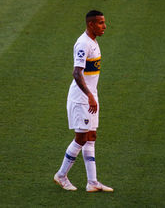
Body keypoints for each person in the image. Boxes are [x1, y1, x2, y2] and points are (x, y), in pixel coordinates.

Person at [54, 10, 113, 192]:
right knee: (80, 138)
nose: (104, 26)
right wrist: (88, 96)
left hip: (90, 97)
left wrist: (92, 96)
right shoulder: (83, 44)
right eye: (101, 23)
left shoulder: (93, 42)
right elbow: (76, 73)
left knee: (91, 137)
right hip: (81, 99)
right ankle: (61, 175)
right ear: (91, 24)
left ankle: (92, 182)